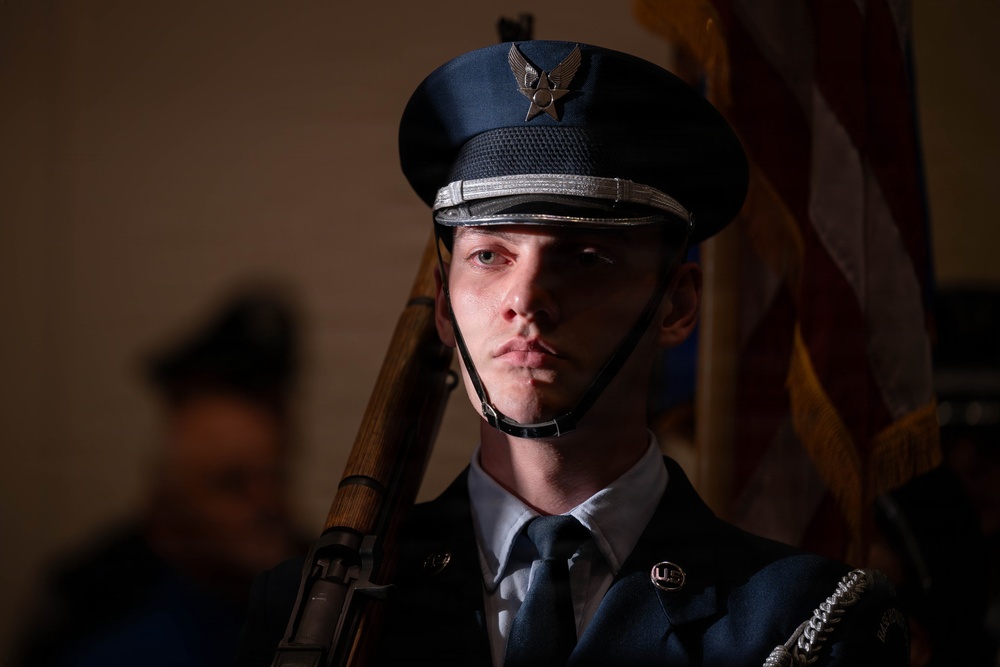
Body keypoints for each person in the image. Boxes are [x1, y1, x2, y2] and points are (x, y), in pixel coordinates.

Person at [235, 41, 908, 666]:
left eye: (585, 258)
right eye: (490, 255)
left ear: (677, 305)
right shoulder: (301, 613)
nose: (525, 298)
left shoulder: (802, 622)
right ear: (443, 305)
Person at [11, 288, 306, 667]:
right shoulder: (98, 606)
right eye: (232, 483)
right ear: (169, 496)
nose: (266, 502)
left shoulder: (312, 586)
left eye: (277, 476)